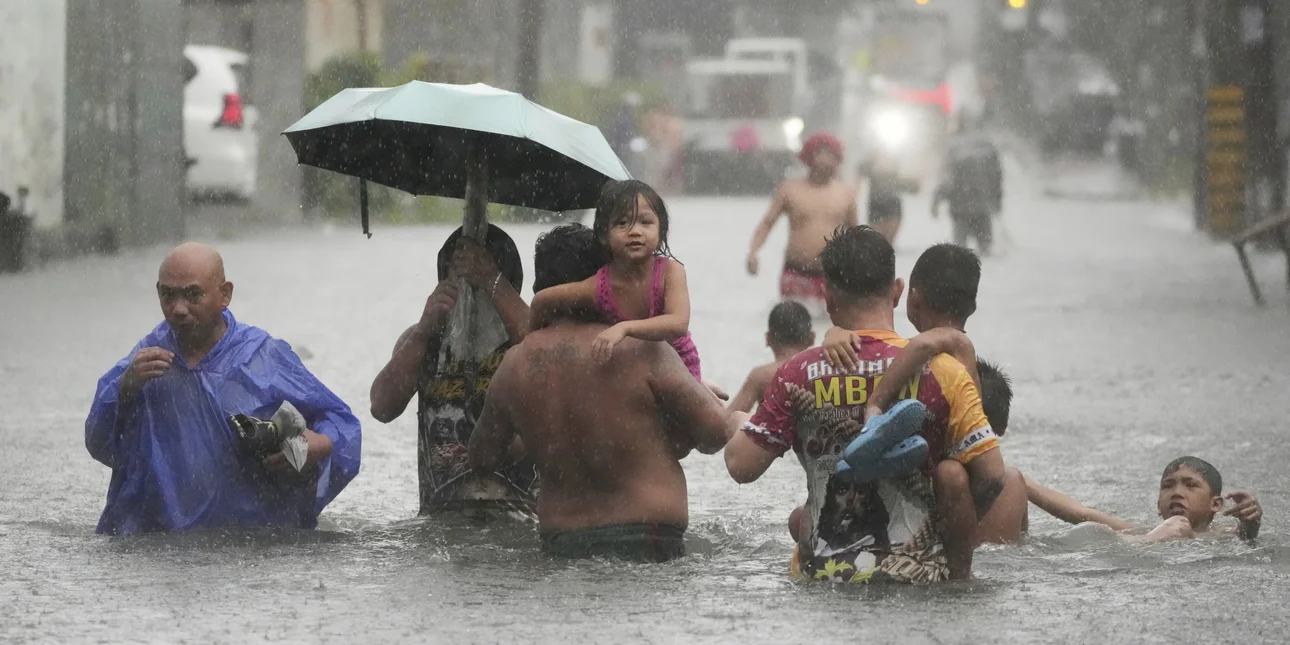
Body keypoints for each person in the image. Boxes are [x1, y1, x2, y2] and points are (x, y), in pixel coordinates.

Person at [724, 225, 1007, 583]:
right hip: (919, 579)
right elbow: (992, 477)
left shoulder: (797, 373)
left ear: (827, 298)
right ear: (898, 291)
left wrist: (737, 422)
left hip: (826, 579)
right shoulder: (943, 371)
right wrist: (946, 531)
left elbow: (741, 467)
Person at [468, 223, 732, 562]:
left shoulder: (514, 366)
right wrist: (689, 395)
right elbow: (715, 433)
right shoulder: (642, 348)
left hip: (563, 544)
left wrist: (539, 432)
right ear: (606, 282)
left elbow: (482, 458)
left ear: (540, 287)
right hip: (649, 538)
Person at [85, 243, 361, 535]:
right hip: (159, 540)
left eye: (193, 295)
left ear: (225, 294)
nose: (178, 309)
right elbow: (99, 442)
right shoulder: (145, 360)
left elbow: (341, 422)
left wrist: (320, 444)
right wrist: (126, 388)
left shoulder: (261, 356)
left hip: (254, 542)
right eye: (168, 295)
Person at [823, 244, 1029, 544]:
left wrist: (874, 402)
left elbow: (919, 345)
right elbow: (993, 474)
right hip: (977, 486)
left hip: (937, 489)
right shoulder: (967, 360)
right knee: (1011, 481)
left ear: (912, 298)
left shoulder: (942, 351)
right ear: (972, 306)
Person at [369, 225, 533, 520]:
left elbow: (547, 355)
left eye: (481, 283)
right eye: (460, 281)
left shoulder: (525, 341)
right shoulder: (425, 341)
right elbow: (381, 407)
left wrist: (491, 281)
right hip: (442, 515)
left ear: (512, 285)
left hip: (519, 513)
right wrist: (423, 330)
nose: (472, 295)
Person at [529, 179, 702, 380]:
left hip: (680, 368)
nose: (635, 231)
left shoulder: (670, 272)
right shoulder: (599, 287)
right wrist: (528, 343)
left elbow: (678, 323)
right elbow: (541, 300)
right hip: (630, 374)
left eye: (645, 222)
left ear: (660, 231)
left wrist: (624, 328)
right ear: (604, 235)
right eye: (622, 223)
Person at [746, 133, 860, 317]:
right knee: (794, 323)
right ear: (809, 156)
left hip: (833, 275)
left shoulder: (846, 194)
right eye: (821, 153)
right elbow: (767, 224)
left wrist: (861, 269)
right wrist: (753, 252)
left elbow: (856, 236)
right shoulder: (790, 190)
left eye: (831, 154)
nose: (826, 160)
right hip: (796, 272)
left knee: (832, 325)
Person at [1027, 457, 1263, 543]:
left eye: (1190, 485)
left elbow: (1244, 536)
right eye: (1167, 486)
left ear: (1216, 504)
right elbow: (1081, 513)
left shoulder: (1221, 537)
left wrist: (1251, 522)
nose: (1177, 492)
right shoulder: (1140, 531)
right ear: (1158, 506)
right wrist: (1017, 480)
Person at [727, 301, 816, 414]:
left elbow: (729, 419)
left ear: (768, 338)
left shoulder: (761, 376)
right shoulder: (819, 370)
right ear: (812, 338)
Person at [932, 135, 1002, 255]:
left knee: (962, 249)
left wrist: (936, 202)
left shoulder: (956, 151)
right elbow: (996, 179)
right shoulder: (985, 150)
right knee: (980, 247)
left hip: (965, 209)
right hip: (975, 209)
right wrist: (997, 201)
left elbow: (945, 181)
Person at [858, 152, 917, 245]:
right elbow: (861, 172)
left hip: (893, 207)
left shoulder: (897, 163)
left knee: (887, 243)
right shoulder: (872, 163)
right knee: (877, 242)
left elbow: (914, 188)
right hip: (876, 207)